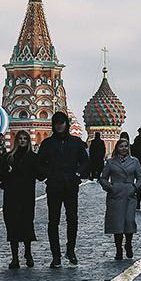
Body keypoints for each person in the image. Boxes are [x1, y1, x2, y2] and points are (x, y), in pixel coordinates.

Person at [35, 111, 89, 268]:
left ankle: (70, 250)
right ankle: (56, 255)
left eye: (62, 123)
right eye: (57, 123)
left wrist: (78, 174)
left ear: (66, 124)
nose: (59, 126)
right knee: (53, 221)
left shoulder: (76, 142)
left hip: (71, 186)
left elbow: (85, 161)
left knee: (72, 219)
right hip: (54, 186)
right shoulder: (47, 144)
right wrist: (48, 175)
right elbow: (39, 163)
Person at [0, 130, 40, 268]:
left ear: (28, 141)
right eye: (20, 138)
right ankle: (15, 257)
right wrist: (6, 172)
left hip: (26, 196)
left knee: (26, 224)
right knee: (12, 225)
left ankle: (28, 253)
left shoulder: (32, 157)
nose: (22, 141)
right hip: (11, 196)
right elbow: (0, 175)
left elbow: (40, 174)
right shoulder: (9, 157)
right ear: (16, 140)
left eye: (25, 139)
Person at [99, 138, 141, 260]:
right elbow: (103, 178)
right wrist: (110, 187)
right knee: (117, 222)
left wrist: (135, 187)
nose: (124, 148)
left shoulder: (134, 162)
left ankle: (128, 243)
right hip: (115, 194)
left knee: (129, 220)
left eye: (126, 146)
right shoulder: (110, 162)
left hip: (129, 194)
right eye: (121, 146)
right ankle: (118, 248)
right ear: (117, 148)